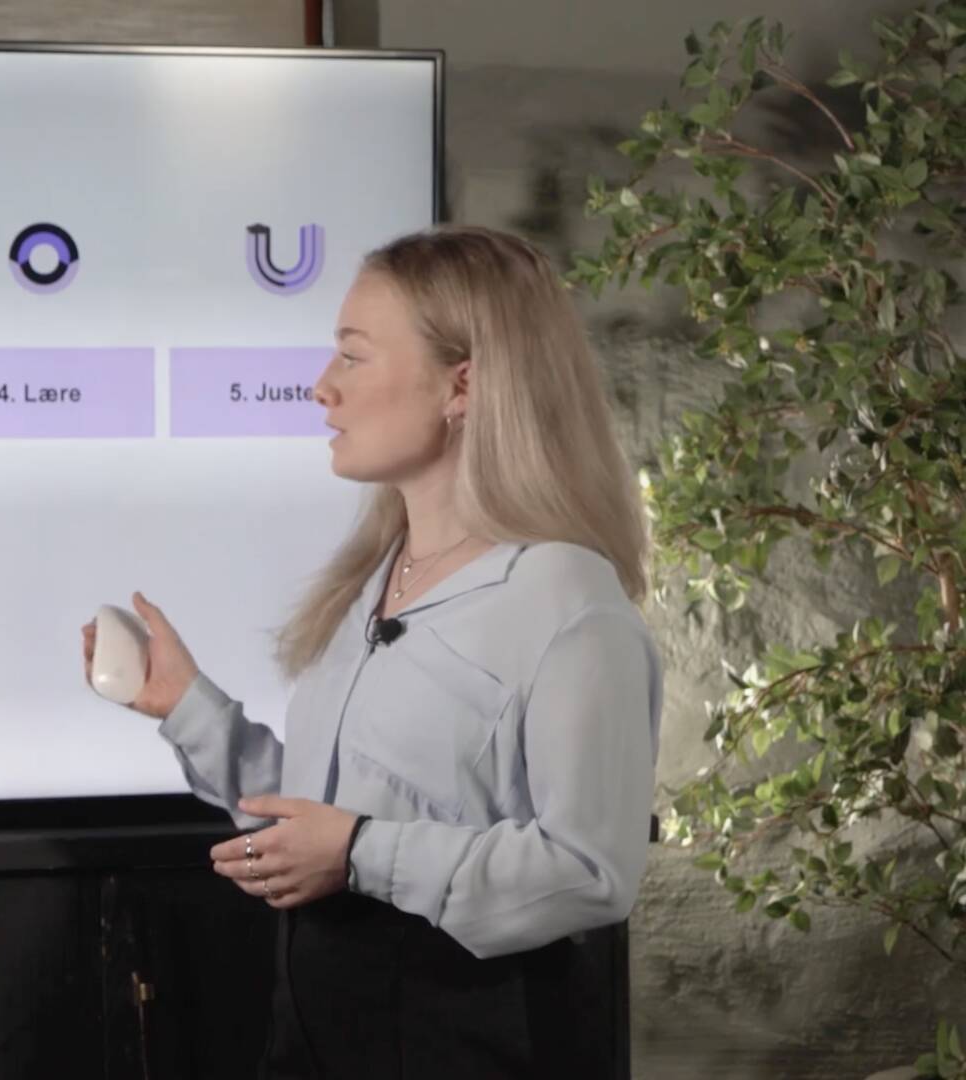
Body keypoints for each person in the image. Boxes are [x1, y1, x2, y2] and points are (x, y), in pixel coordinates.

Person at [82, 224, 663, 1079]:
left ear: (463, 384)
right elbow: (327, 818)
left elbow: (588, 871)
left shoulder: (568, 602)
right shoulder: (374, 580)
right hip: (313, 1036)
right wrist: (187, 707)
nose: (323, 387)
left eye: (353, 356)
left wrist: (358, 852)